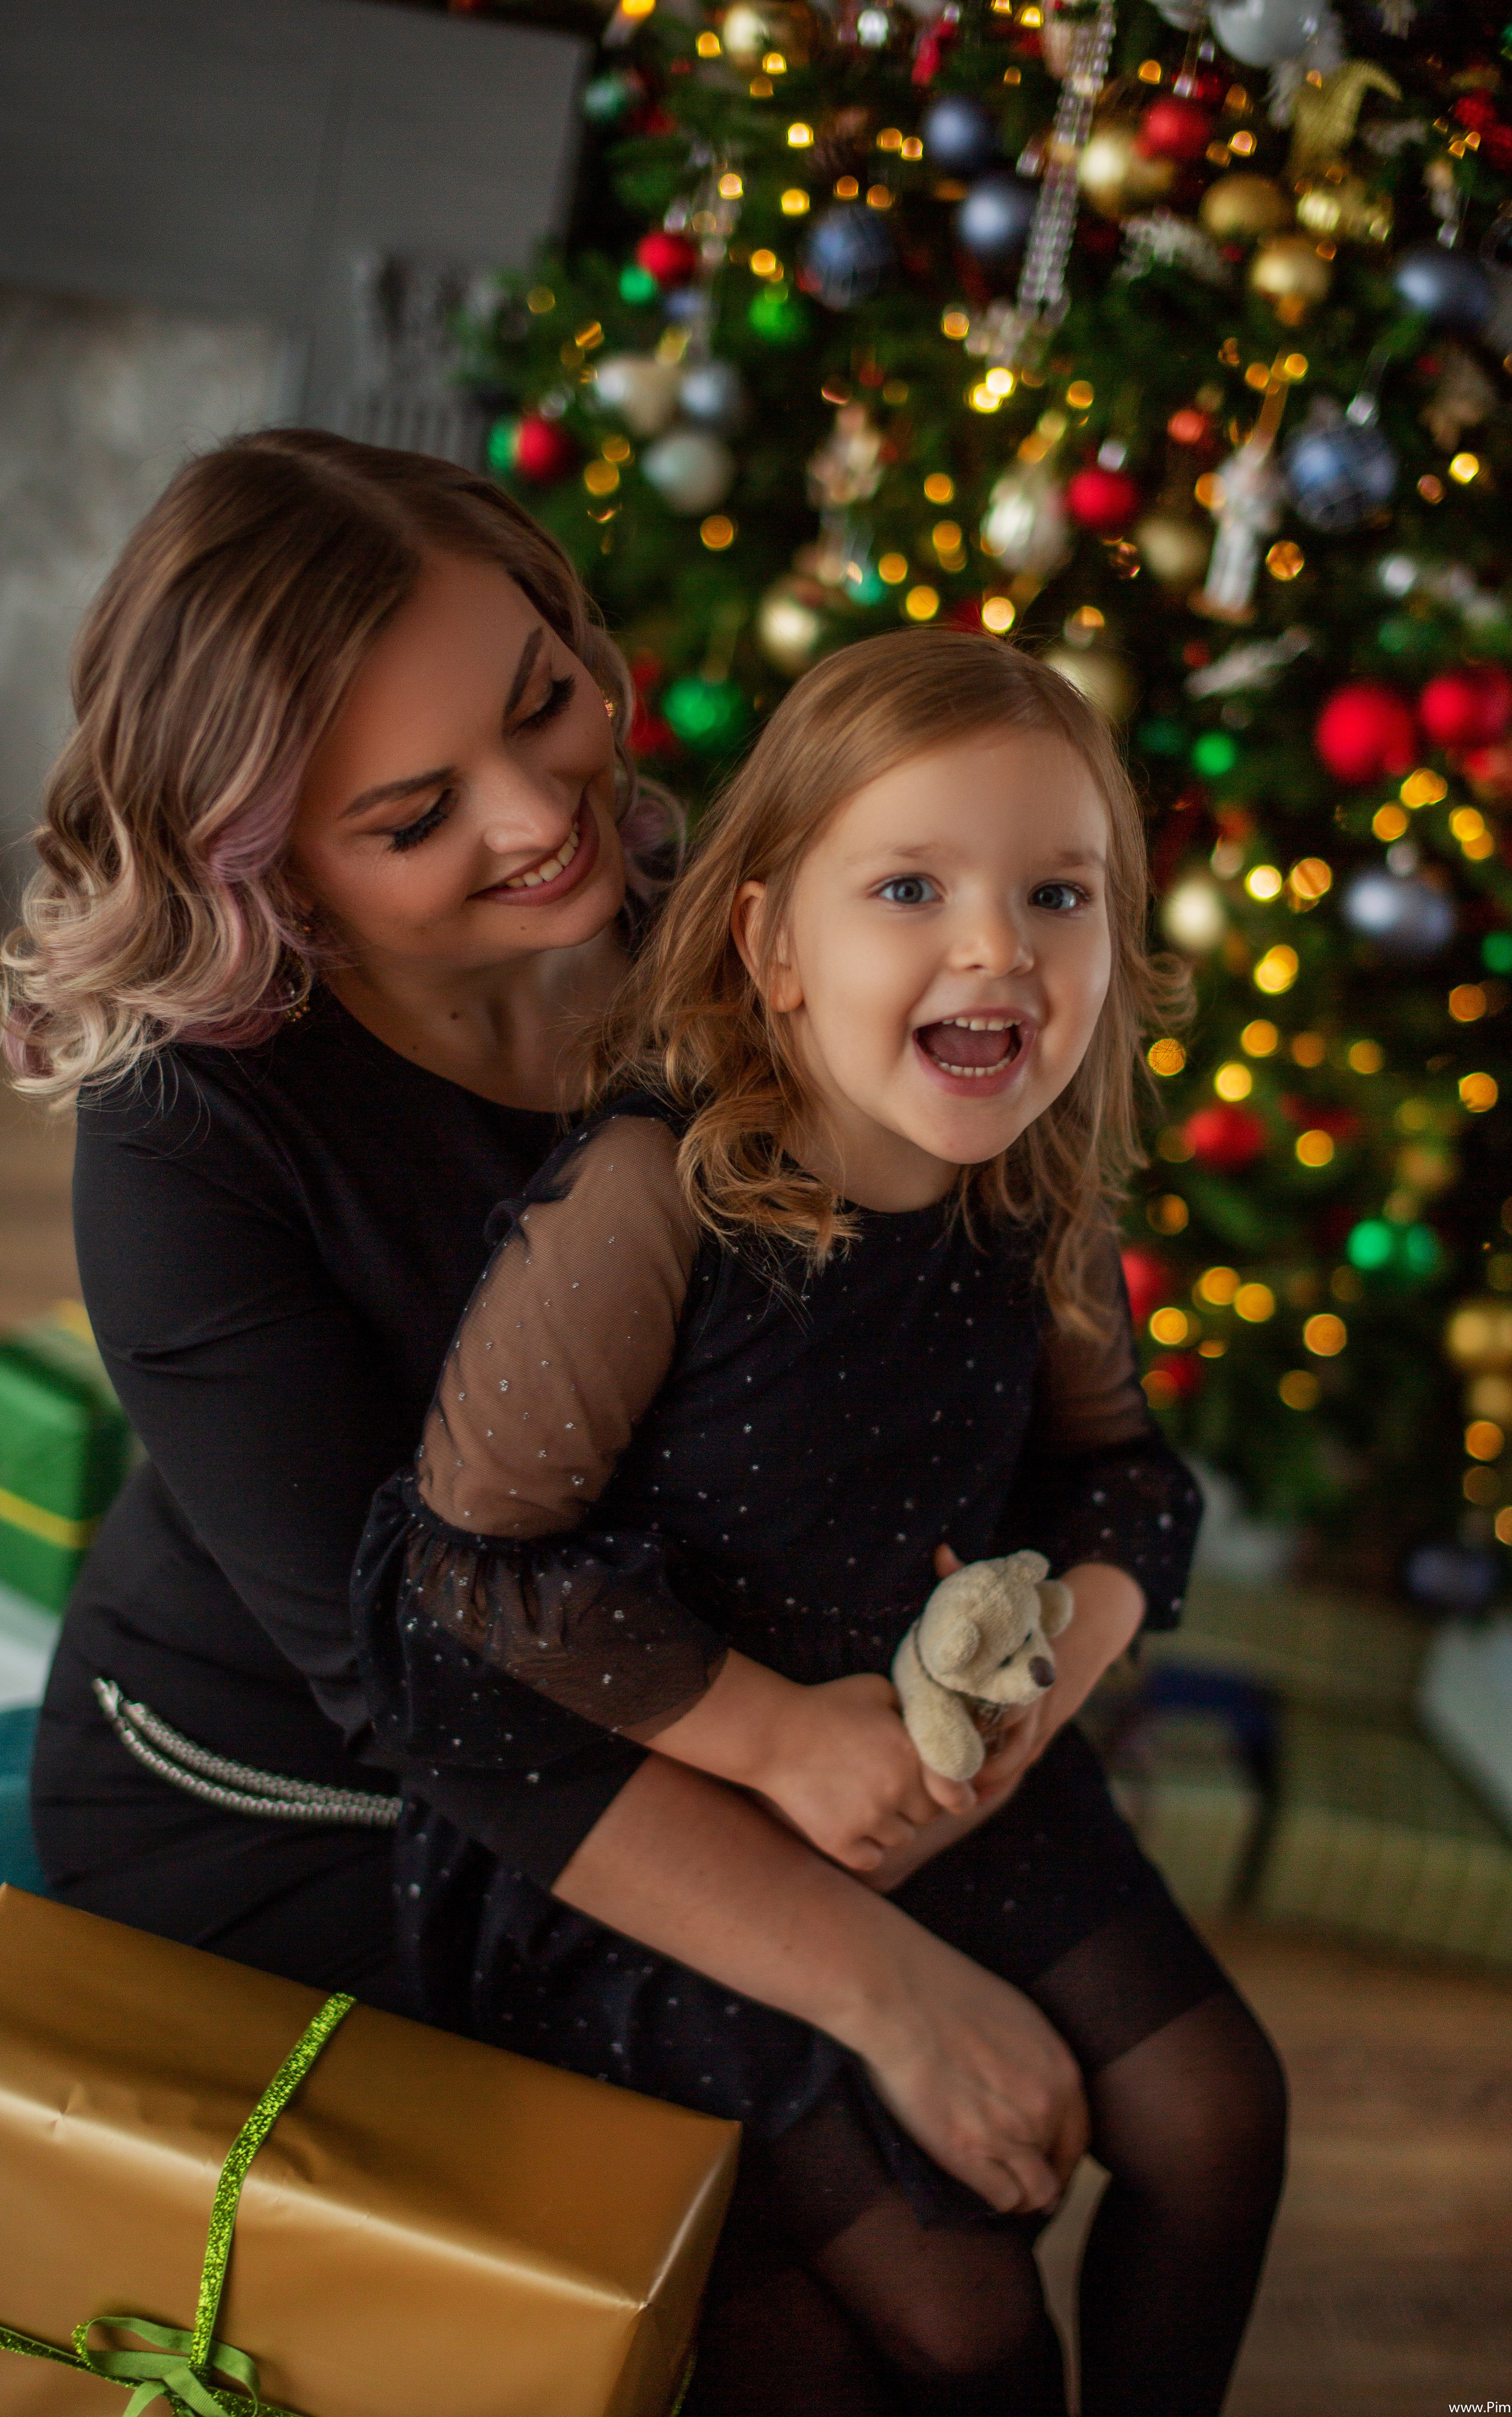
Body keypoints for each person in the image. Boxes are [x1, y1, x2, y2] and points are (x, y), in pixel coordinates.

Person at [354, 632, 1289, 2417]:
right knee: (964, 2323)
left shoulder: (1039, 1191)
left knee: (1221, 2118)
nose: (1000, 945)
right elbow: (462, 1587)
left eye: (1059, 893)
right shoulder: (654, 1206)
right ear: (771, 946)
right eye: (914, 887)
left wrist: (1064, 1661)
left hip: (953, 1773)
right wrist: (773, 1737)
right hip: (670, 1829)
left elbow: (1126, 1481)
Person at [1, 429, 679, 2000]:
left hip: (658, 1722)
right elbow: (417, 1684)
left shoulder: (696, 928)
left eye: (543, 701)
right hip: (280, 1801)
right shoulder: (184, 1140)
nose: (535, 818)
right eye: (414, 814)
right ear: (266, 868)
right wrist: (857, 1968)